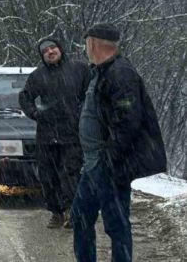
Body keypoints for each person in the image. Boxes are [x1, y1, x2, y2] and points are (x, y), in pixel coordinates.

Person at [72, 23, 167, 262]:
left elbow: (128, 123)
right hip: (94, 165)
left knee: (116, 226)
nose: (85, 49)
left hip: (109, 166)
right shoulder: (101, 71)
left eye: (86, 44)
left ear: (92, 43)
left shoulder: (120, 73)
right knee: (80, 217)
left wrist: (109, 160)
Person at [19, 37, 90, 228]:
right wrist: (35, 113)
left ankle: (73, 212)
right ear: (42, 57)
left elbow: (92, 93)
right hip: (47, 135)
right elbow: (25, 97)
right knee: (48, 176)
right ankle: (56, 213)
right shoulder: (37, 76)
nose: (50, 52)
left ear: (60, 49)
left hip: (72, 134)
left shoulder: (80, 69)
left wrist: (85, 115)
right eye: (45, 51)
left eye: (53, 48)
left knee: (71, 174)